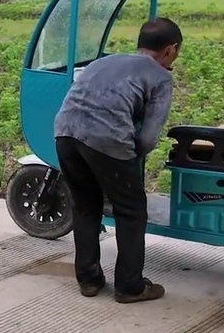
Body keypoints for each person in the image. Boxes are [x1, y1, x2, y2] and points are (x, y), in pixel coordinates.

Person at [53, 17, 182, 303]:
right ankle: (130, 286)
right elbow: (148, 137)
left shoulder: (103, 62)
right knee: (132, 210)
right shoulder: (161, 76)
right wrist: (128, 160)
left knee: (86, 207)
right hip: (106, 138)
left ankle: (89, 280)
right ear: (171, 49)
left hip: (65, 133)